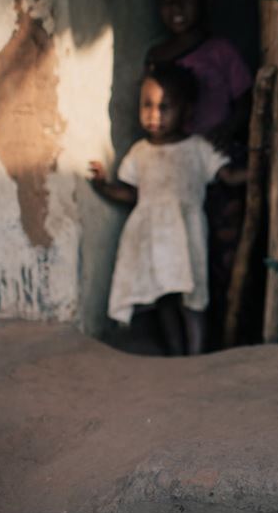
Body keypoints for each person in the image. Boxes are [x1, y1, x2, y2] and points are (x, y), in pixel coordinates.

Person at [89, 65, 247, 356]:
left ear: (187, 111)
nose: (154, 115)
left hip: (187, 235)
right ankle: (176, 355)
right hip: (151, 235)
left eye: (165, 107)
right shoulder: (139, 152)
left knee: (193, 295)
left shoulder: (198, 148)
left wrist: (261, 166)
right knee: (164, 297)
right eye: (147, 105)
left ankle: (196, 354)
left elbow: (228, 176)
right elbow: (131, 193)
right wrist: (102, 186)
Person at [146, 0, 254, 345]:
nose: (174, 6)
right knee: (184, 254)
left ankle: (230, 331)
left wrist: (229, 128)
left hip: (221, 164)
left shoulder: (221, 51)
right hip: (179, 173)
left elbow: (245, 99)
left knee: (223, 254)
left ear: (207, 1)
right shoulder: (157, 58)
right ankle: (192, 337)